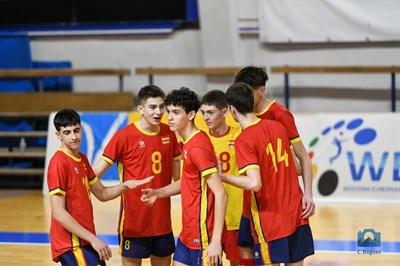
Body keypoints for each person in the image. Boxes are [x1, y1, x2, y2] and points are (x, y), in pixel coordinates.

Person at [222, 82, 315, 265]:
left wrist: (222, 176)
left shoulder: (244, 140)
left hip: (270, 221)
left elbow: (254, 183)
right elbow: (297, 168)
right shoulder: (277, 127)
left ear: (232, 110)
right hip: (296, 214)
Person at [48, 108, 153, 265]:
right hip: (71, 244)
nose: (74, 136)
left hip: (85, 239)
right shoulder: (58, 163)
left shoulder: (82, 159)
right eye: (67, 132)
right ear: (58, 135)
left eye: (76, 130)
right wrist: (93, 239)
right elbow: (58, 212)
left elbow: (103, 194)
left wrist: (125, 185)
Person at [93, 85, 181, 266]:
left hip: (162, 223)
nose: (159, 112)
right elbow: (94, 174)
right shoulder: (123, 136)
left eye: (162, 107)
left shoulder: (169, 133)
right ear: (140, 109)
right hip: (134, 224)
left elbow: (178, 181)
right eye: (153, 107)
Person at [141, 87, 228, 266]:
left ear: (190, 115)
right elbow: (189, 182)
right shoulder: (188, 142)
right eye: (169, 111)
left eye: (176, 112)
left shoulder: (197, 147)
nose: (169, 117)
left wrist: (216, 241)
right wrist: (158, 192)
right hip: (188, 234)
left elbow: (221, 193)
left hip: (204, 236)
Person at [199, 90, 242, 266]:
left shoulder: (240, 135)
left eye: (210, 112)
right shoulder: (199, 139)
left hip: (236, 217)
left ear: (224, 112)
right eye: (203, 112)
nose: (205, 117)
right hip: (209, 218)